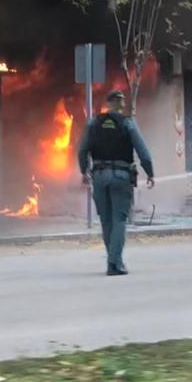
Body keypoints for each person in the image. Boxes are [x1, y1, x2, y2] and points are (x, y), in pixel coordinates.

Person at [77, 90, 155, 276]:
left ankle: (114, 261)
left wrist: (84, 171)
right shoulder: (127, 123)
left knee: (106, 220)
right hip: (121, 176)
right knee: (119, 219)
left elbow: (82, 151)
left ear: (108, 103)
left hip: (99, 176)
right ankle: (115, 264)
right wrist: (150, 173)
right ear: (121, 104)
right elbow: (143, 152)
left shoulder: (93, 123)